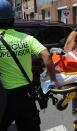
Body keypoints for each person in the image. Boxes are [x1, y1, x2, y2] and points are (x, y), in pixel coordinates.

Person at [0, 1, 57, 130]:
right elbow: (46, 56)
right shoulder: (27, 38)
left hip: (5, 96)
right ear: (13, 19)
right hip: (27, 93)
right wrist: (53, 80)